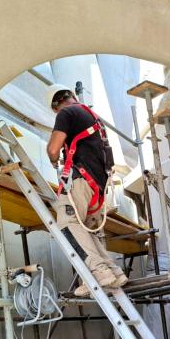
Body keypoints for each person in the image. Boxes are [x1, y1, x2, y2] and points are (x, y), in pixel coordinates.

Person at [45, 84, 127, 296]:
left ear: (55, 106)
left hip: (81, 180)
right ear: (71, 95)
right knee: (89, 230)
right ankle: (112, 272)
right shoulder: (93, 117)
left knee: (67, 224)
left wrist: (53, 159)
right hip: (97, 187)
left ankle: (98, 272)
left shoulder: (66, 113)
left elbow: (54, 150)